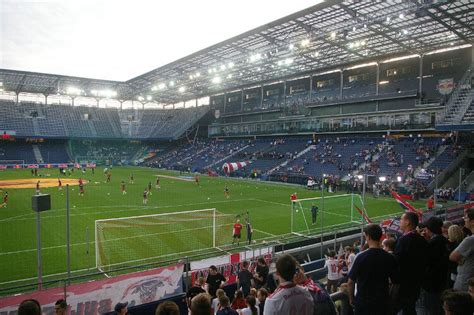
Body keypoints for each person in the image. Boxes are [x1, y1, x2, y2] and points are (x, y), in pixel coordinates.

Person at [348, 223, 400, 314]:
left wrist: (351, 299)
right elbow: (396, 283)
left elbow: (350, 282)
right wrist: (391, 298)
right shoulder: (390, 257)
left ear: (368, 237)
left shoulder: (360, 257)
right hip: (382, 303)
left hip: (363, 303)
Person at [394, 211, 428, 315]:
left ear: (407, 222)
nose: (399, 222)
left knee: (406, 307)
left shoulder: (404, 240)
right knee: (410, 306)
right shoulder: (421, 239)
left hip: (405, 282)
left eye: (401, 220)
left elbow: (397, 260)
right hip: (417, 280)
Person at [418, 216, 450, 314]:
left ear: (428, 229)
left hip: (432, 284)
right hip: (441, 280)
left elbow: (425, 260)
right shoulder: (443, 240)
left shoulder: (435, 242)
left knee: (432, 309)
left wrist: (423, 241)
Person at [449, 208, 474, 291]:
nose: (464, 219)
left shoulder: (470, 240)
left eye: (466, 217)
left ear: (473, 221)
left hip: (465, 282)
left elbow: (452, 257)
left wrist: (461, 259)